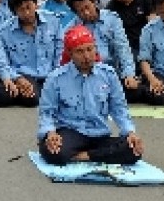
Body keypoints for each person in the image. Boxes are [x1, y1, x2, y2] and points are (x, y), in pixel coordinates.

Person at [37, 25, 144, 166]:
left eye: (89, 49)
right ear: (69, 53)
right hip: (71, 132)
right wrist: (50, 133)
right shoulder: (55, 78)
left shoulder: (109, 74)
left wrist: (130, 133)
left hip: (99, 134)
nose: (87, 56)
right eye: (80, 51)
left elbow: (120, 109)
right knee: (53, 152)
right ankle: (98, 156)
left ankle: (83, 156)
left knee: (134, 150)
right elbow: (47, 113)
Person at [66, 0, 145, 103]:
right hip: (87, 75)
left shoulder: (112, 19)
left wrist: (129, 75)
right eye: (81, 11)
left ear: (93, 1)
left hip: (112, 74)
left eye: (87, 7)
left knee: (136, 92)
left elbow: (123, 49)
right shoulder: (72, 29)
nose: (86, 13)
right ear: (75, 13)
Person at [0, 0, 63, 106]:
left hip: (51, 73)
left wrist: (57, 76)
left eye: (29, 7)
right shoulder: (4, 31)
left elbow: (60, 52)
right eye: (21, 10)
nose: (27, 13)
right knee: (31, 99)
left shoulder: (53, 20)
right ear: (14, 12)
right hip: (25, 76)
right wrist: (17, 78)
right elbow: (3, 62)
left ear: (36, 4)